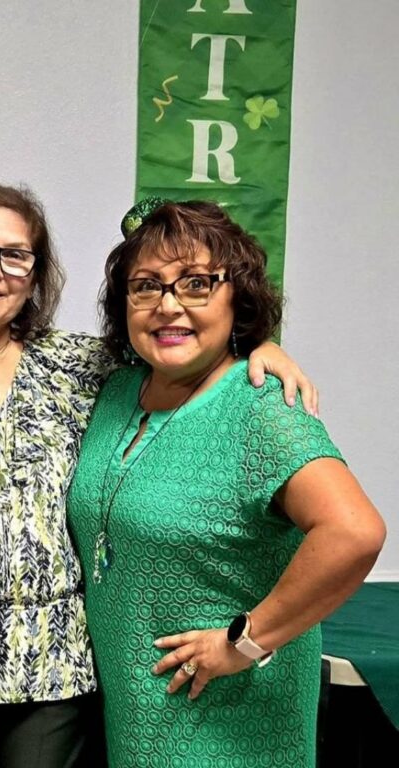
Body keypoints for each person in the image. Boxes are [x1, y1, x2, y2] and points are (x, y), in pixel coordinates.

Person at [0, 185, 316, 768]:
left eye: (15, 255)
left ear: (35, 276)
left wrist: (260, 346)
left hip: (56, 666)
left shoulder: (83, 366)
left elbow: (184, 345)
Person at [67, 199, 385, 768]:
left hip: (233, 720)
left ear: (236, 297)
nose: (169, 306)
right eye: (146, 286)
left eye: (196, 284)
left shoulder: (261, 405)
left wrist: (245, 642)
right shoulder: (118, 392)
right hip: (136, 716)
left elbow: (354, 532)